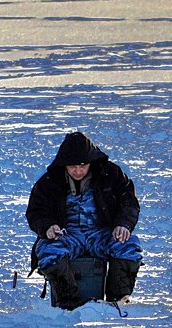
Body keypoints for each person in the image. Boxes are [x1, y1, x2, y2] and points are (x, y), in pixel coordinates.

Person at [26, 131, 143, 309]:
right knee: (48, 251)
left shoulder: (110, 174)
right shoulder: (50, 181)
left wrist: (123, 224)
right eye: (72, 166)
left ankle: (117, 300)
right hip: (68, 234)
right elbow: (36, 211)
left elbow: (129, 202)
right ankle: (68, 301)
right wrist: (48, 226)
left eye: (82, 166)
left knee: (129, 247)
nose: (78, 171)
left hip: (101, 233)